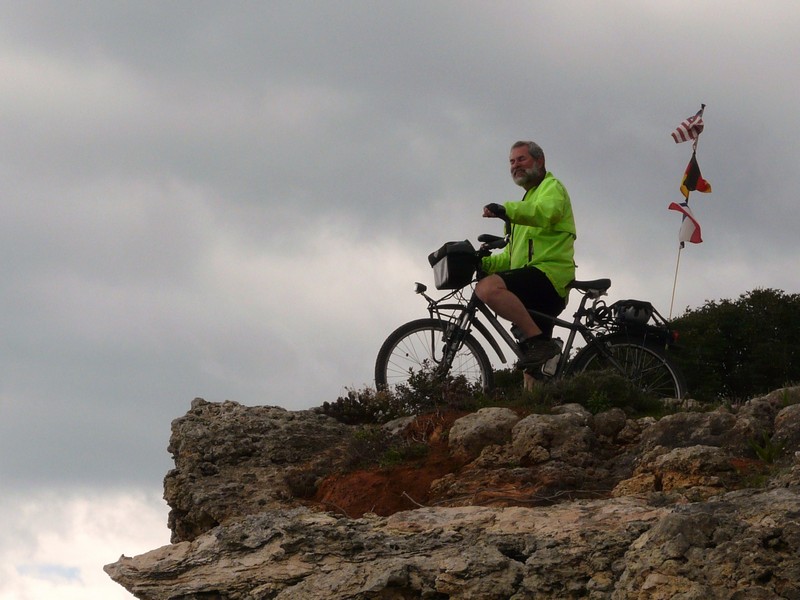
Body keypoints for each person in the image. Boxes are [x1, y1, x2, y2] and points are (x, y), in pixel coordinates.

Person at [476, 140, 576, 370]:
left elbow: (546, 212)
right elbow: (512, 258)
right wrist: (483, 262)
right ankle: (539, 396)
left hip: (550, 276)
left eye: (521, 159)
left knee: (487, 289)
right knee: (533, 368)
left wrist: (506, 210)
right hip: (533, 278)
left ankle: (541, 342)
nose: (515, 165)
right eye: (512, 161)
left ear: (539, 161)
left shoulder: (551, 187)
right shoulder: (526, 204)